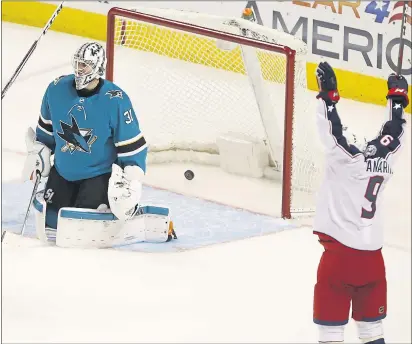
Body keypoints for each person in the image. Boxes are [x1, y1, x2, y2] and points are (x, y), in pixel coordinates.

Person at [313, 61, 408, 344]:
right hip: (373, 260)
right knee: (371, 331)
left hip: (341, 258)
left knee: (331, 332)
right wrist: (397, 98)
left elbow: (332, 133)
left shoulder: (344, 160)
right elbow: (395, 133)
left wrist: (328, 97)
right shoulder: (384, 162)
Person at [22, 41, 148, 228]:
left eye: (85, 64)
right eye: (77, 63)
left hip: (98, 175)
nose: (79, 69)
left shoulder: (115, 100)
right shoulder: (56, 90)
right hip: (63, 172)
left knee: (83, 224)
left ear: (98, 67)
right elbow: (46, 134)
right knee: (50, 222)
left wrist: (130, 179)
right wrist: (40, 152)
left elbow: (131, 148)